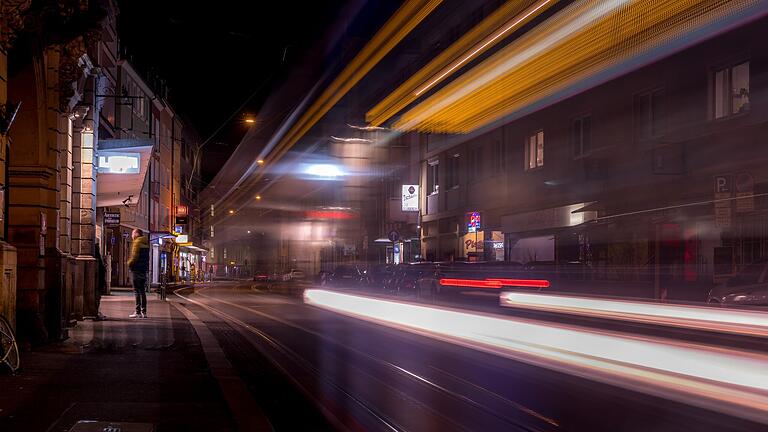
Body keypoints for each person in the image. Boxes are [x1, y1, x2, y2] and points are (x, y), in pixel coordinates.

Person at [127, 228, 150, 318]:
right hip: (143, 269)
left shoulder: (136, 243)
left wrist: (129, 263)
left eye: (133, 233)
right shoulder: (146, 244)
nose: (132, 235)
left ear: (136, 234)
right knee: (142, 291)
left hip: (136, 269)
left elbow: (134, 257)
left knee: (137, 291)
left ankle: (137, 312)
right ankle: (144, 312)